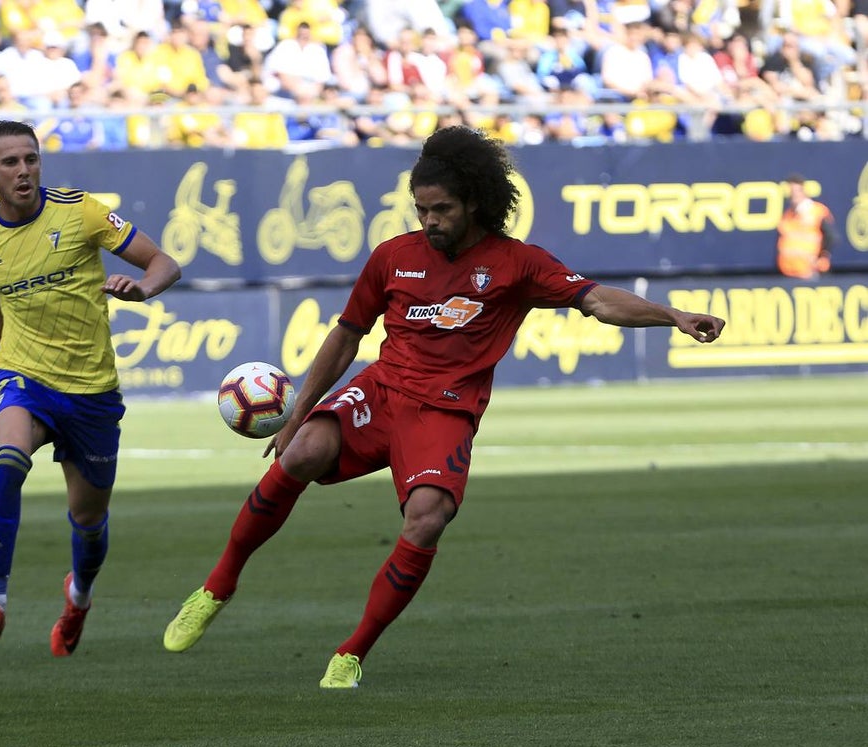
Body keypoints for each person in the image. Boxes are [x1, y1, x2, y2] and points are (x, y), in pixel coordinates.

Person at [162, 125, 726, 689]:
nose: (429, 220)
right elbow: (347, 335)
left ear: (475, 202)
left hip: (445, 413)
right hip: (382, 390)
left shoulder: (518, 263)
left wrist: (671, 315)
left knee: (427, 519)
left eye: (441, 209)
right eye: (421, 209)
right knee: (304, 449)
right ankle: (217, 585)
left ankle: (352, 652)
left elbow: (599, 301)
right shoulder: (393, 257)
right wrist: (300, 413)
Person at [0, 119, 182, 655]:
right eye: (10, 162)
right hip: (24, 377)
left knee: (88, 521)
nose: (24, 170)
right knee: (9, 459)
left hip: (92, 390)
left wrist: (142, 288)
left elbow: (164, 262)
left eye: (31, 159)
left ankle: (78, 596)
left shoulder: (80, 210)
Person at [777, 173, 837, 280]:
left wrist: (822, 257)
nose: (793, 195)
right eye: (791, 192)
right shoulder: (787, 215)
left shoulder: (817, 211)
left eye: (796, 191)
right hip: (788, 272)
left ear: (803, 191)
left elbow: (831, 237)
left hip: (809, 273)